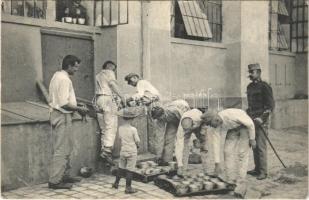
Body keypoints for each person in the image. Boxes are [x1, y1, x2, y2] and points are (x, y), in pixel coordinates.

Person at [48, 55, 89, 189]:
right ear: (69, 66)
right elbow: (64, 103)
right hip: (62, 115)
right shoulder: (64, 79)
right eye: (76, 67)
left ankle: (64, 176)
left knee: (66, 148)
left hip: (59, 114)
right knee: (62, 149)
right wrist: (80, 108)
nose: (77, 70)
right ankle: (55, 181)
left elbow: (63, 100)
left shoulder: (57, 76)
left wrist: (77, 104)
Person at [201, 108, 256, 198]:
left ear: (216, 119)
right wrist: (217, 164)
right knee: (227, 151)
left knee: (242, 154)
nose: (212, 127)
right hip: (232, 129)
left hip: (244, 126)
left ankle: (241, 183)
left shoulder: (231, 115)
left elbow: (250, 123)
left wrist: (252, 138)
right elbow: (216, 144)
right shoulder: (216, 125)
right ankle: (231, 180)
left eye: (211, 124)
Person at [246, 63, 275, 180]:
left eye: (252, 72)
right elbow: (250, 105)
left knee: (261, 146)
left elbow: (270, 106)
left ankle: (263, 171)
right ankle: (257, 168)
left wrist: (262, 119)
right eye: (250, 72)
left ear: (258, 72)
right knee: (254, 144)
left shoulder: (265, 86)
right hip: (252, 119)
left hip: (262, 120)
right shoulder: (249, 87)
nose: (250, 74)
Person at [95, 61, 126, 164]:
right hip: (107, 99)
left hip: (99, 99)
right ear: (111, 67)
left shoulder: (98, 75)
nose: (114, 71)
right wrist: (122, 97)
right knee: (111, 125)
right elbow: (112, 85)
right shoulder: (109, 72)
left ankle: (103, 151)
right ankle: (107, 152)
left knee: (103, 127)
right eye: (114, 69)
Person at [150, 99, 190, 165]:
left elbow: (185, 121)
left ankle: (183, 161)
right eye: (158, 118)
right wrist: (158, 155)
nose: (160, 119)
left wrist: (185, 131)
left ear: (163, 114)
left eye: (160, 118)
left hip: (183, 111)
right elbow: (159, 137)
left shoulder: (174, 111)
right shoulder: (159, 119)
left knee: (181, 138)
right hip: (172, 118)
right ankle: (167, 160)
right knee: (168, 138)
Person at [112, 107, 142, 194]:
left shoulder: (120, 128)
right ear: (132, 119)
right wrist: (138, 146)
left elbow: (120, 139)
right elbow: (137, 141)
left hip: (123, 150)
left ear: (123, 118)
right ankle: (128, 187)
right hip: (132, 151)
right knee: (129, 170)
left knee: (121, 167)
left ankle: (116, 183)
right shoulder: (133, 129)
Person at [174, 109, 209, 177]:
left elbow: (205, 124)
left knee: (204, 145)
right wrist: (179, 165)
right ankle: (182, 170)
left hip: (200, 126)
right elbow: (179, 147)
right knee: (184, 147)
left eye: (189, 129)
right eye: (186, 130)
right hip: (190, 127)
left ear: (193, 123)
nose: (188, 131)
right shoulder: (181, 130)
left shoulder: (198, 117)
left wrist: (200, 137)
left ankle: (207, 169)